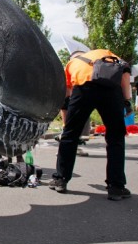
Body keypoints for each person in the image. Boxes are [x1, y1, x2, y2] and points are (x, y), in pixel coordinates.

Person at [50, 49, 133, 201]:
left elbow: (67, 98)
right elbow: (125, 73)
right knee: (115, 137)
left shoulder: (71, 64)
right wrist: (126, 101)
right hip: (111, 88)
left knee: (70, 136)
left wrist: (66, 125)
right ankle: (116, 187)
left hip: (83, 89)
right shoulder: (107, 53)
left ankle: (60, 179)